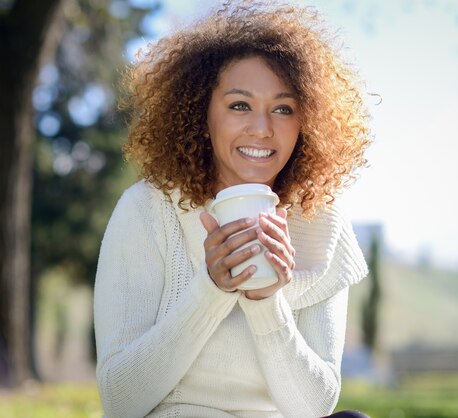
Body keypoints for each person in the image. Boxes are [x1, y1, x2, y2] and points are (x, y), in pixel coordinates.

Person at [94, 1, 372, 417]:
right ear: (201, 113)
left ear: (307, 121)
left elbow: (313, 408)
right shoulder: (148, 210)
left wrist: (264, 301)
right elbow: (120, 401)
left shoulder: (323, 224)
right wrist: (211, 290)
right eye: (239, 105)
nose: (262, 128)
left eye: (283, 108)